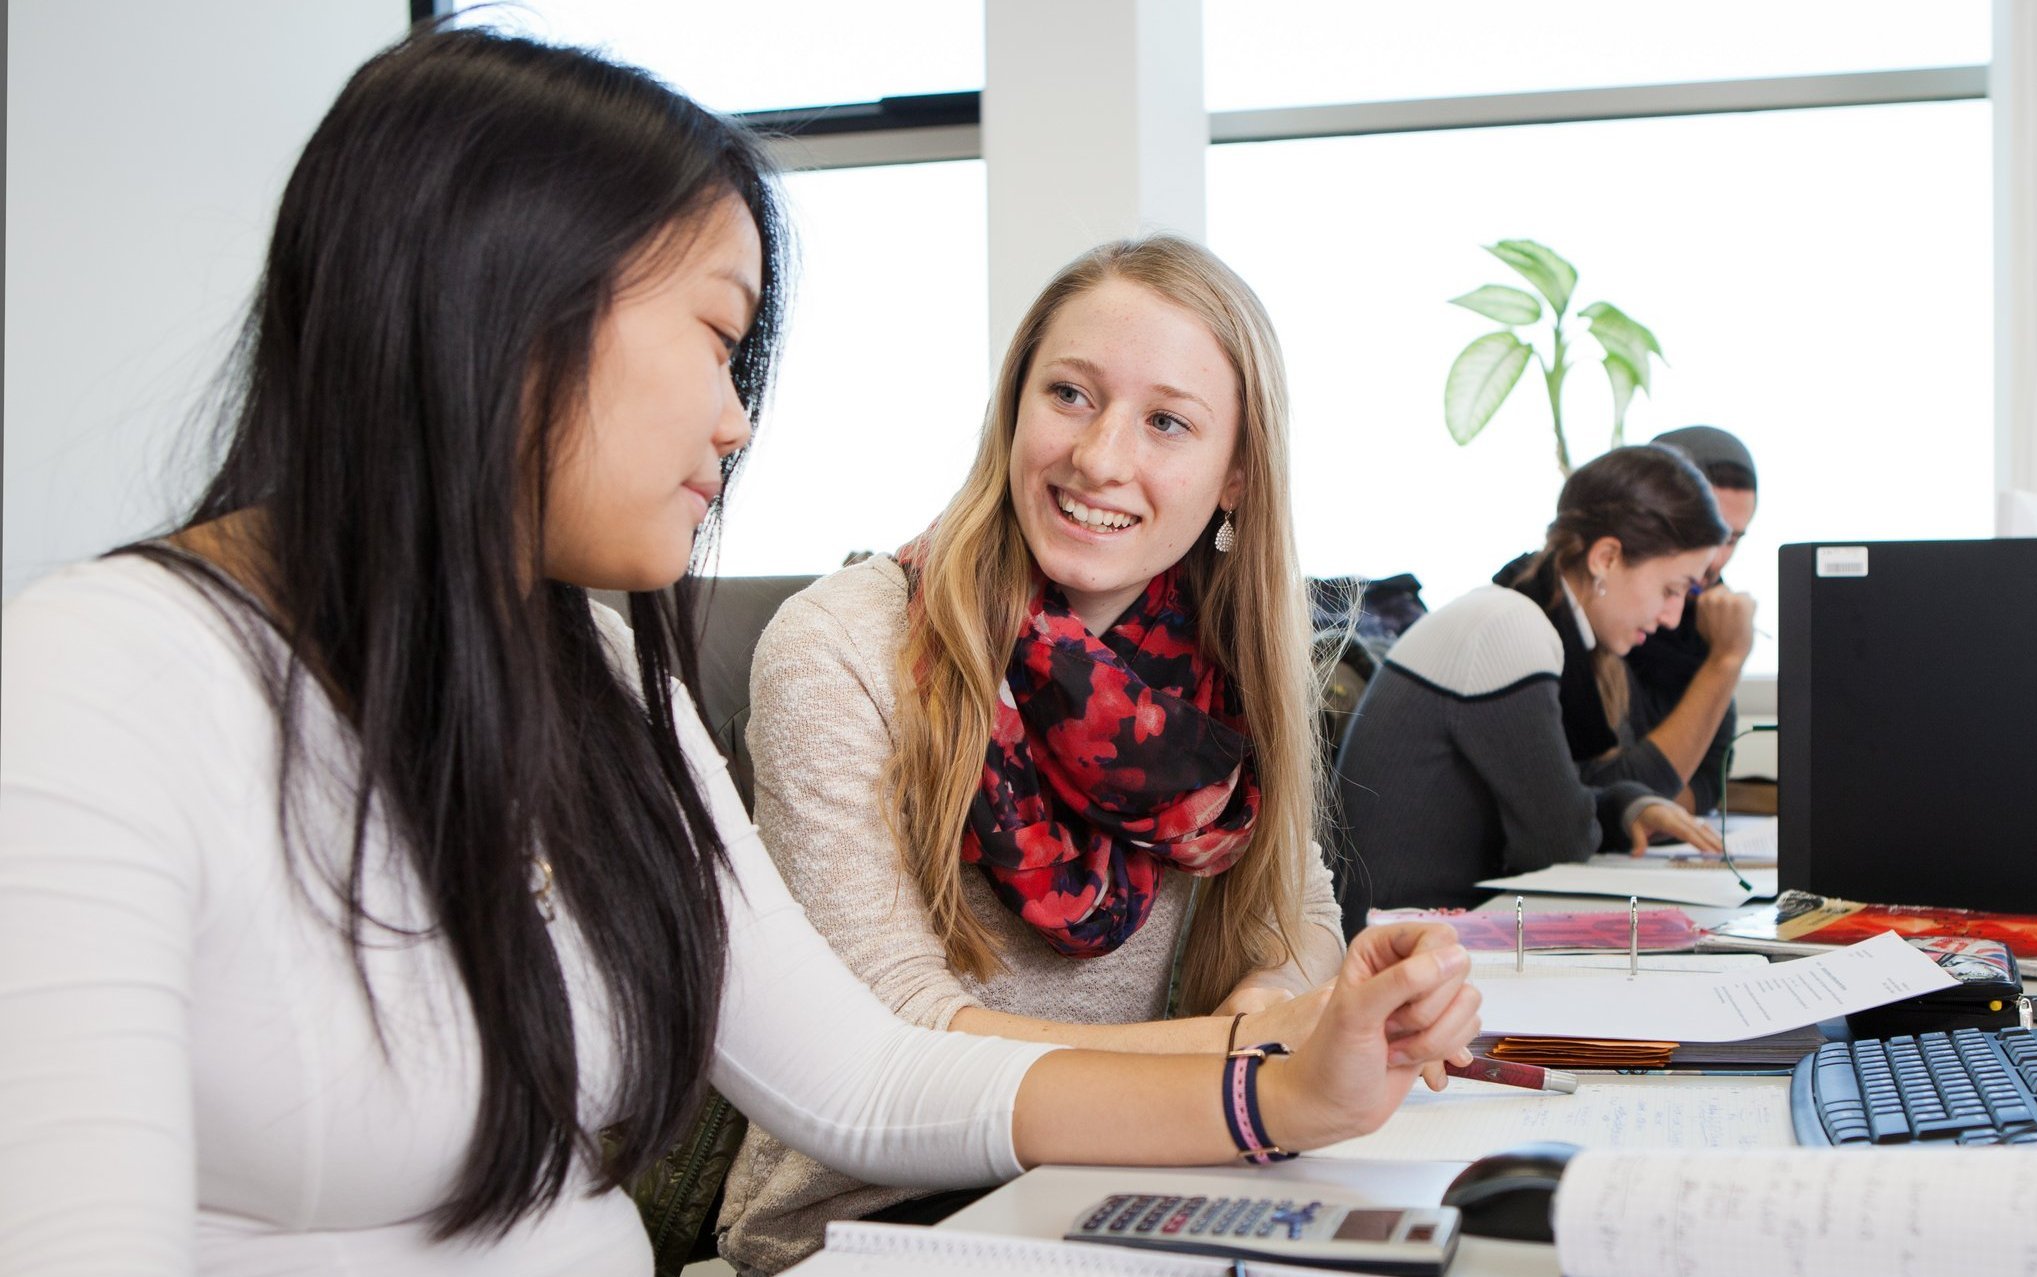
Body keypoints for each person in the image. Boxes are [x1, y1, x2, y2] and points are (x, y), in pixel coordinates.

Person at [0, 31, 1477, 1274]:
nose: (736, 420)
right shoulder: (100, 686)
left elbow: (861, 1075)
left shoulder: (580, 664)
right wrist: (1259, 1073)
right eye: (719, 341)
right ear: (506, 311)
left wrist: (1288, 1085)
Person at [716, 236, 1349, 1270]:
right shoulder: (841, 645)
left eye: (1165, 421)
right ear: (1013, 409)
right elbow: (904, 1035)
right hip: (884, 1215)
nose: (1101, 456)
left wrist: (1267, 1004)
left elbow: (1300, 915)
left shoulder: (1228, 667)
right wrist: (1247, 1063)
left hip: (1136, 1172)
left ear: (1235, 472)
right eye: (1069, 394)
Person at [1330, 445, 1732, 925]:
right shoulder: (1510, 628)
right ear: (1606, 557)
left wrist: (1625, 806)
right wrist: (1612, 807)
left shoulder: (1518, 617)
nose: (1671, 618)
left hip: (1425, 925)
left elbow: (1554, 800)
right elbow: (1557, 843)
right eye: (1672, 589)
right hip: (1394, 943)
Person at [1622, 426, 1761, 812]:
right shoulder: (1603, 616)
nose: (1716, 560)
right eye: (1709, 532)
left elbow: (1708, 784)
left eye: (1732, 540)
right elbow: (1619, 791)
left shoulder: (1705, 621)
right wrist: (1725, 661)